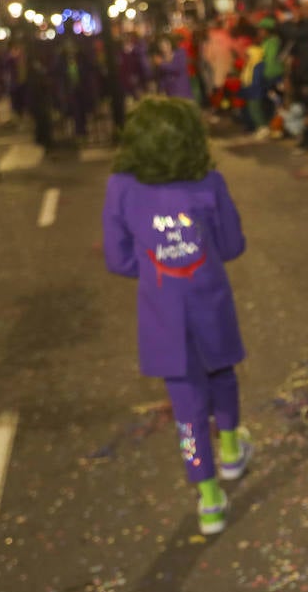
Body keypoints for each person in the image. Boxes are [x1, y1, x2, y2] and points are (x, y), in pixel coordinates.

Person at [102, 97, 254, 534]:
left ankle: (207, 498)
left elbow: (118, 258)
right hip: (210, 304)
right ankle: (230, 450)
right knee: (223, 374)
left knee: (186, 410)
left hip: (162, 317)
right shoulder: (208, 182)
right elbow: (231, 246)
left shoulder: (121, 187)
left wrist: (153, 270)